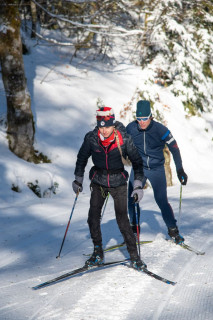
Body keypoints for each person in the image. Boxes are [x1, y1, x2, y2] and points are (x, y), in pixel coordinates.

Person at [72, 107, 147, 270]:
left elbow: (137, 162)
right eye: (101, 126)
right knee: (92, 217)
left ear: (113, 125)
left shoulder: (124, 139)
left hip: (118, 181)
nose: (104, 130)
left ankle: (134, 256)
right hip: (98, 180)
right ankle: (98, 253)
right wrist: (78, 179)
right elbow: (82, 158)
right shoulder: (91, 138)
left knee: (122, 220)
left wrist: (138, 186)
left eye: (107, 126)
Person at [126, 100, 188, 244]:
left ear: (151, 116)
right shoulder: (130, 128)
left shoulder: (161, 130)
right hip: (138, 168)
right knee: (131, 198)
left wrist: (180, 170)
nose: (141, 122)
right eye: (139, 119)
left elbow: (175, 148)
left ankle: (173, 231)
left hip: (156, 169)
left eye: (145, 119)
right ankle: (134, 231)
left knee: (161, 201)